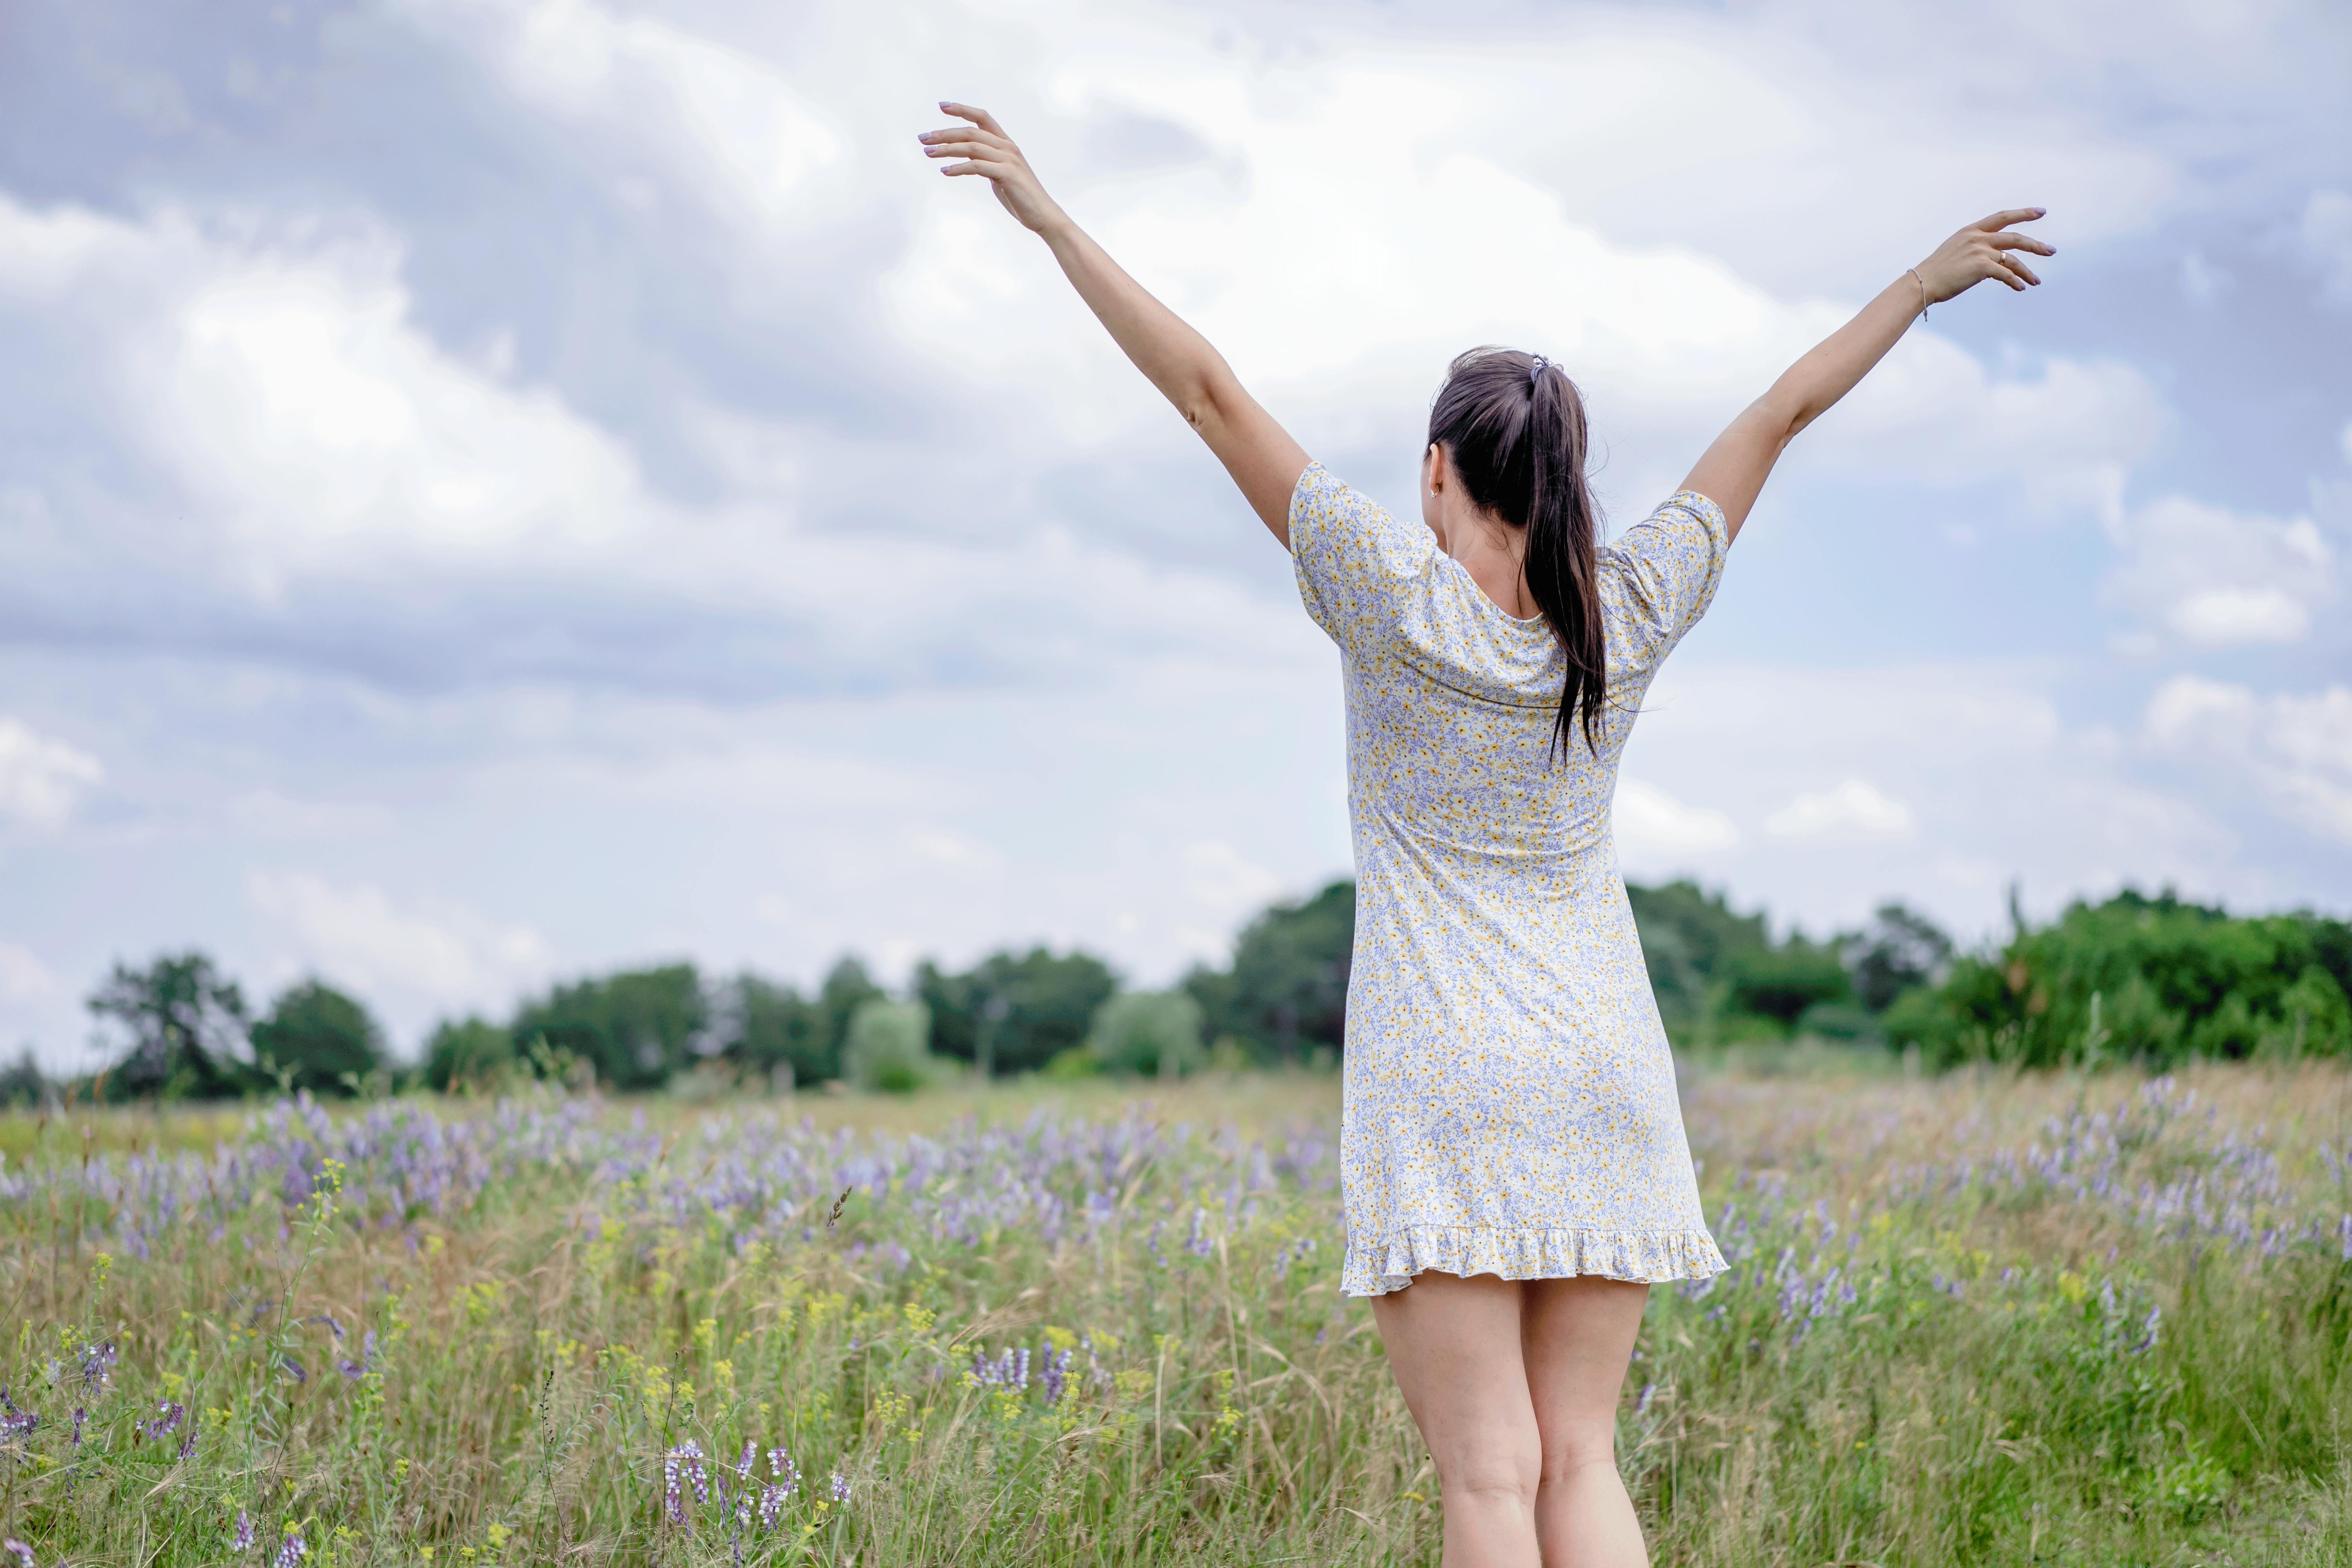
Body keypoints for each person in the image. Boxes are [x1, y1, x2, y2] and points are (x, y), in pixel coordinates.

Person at [917, 101, 2050, 1568]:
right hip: (1602, 1070)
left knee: (1485, 1482)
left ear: (1440, 470)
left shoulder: (1389, 595)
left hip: (1447, 1074)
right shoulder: (1628, 612)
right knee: (1580, 1459)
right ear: (1563, 483)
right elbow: (1778, 416)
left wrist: (1056, 222)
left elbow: (1205, 391)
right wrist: (1918, 282)